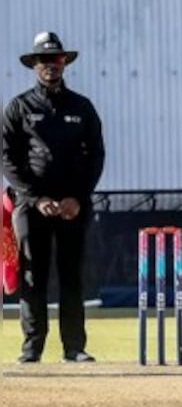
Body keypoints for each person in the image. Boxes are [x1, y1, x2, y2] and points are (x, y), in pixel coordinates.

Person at [1, 32, 106, 364]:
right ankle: (32, 348)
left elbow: (96, 156)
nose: (51, 66)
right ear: (34, 65)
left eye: (57, 59)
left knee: (72, 274)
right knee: (34, 274)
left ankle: (74, 347)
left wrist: (77, 197)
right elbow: (8, 158)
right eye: (45, 60)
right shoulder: (19, 106)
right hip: (32, 206)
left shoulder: (81, 106)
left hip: (72, 206)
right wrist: (35, 197)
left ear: (65, 63)